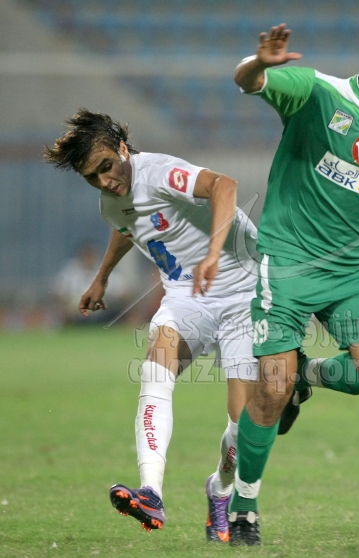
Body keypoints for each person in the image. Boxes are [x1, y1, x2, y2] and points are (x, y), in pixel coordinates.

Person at [227, 25, 359, 545]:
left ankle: (307, 374)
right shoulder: (317, 93)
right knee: (270, 389)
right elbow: (246, 82)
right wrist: (259, 64)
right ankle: (244, 506)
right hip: (291, 261)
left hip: (355, 269)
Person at [44, 109, 260, 541]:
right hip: (187, 295)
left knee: (244, 426)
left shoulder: (159, 172)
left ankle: (220, 489)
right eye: (92, 177)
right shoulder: (110, 200)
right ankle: (151, 493)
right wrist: (102, 277)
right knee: (154, 370)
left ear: (123, 149)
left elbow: (224, 185)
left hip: (244, 291)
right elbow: (126, 225)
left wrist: (213, 254)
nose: (105, 180)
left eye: (107, 166)